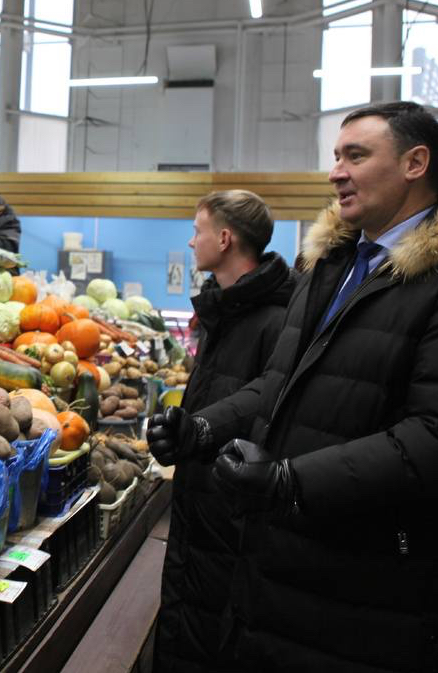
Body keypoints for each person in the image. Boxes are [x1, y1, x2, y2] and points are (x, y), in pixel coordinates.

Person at [149, 101, 438, 672]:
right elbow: (277, 388)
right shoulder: (332, 267)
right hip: (290, 568)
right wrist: (204, 428)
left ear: (415, 162)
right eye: (336, 156)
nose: (336, 172)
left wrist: (289, 481)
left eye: (356, 155)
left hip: (388, 592)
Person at [157, 190, 295, 672]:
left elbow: (266, 412)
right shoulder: (228, 313)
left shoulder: (274, 321)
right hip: (202, 515)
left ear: (225, 237)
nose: (192, 241)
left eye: (198, 231)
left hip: (227, 521)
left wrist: (200, 431)